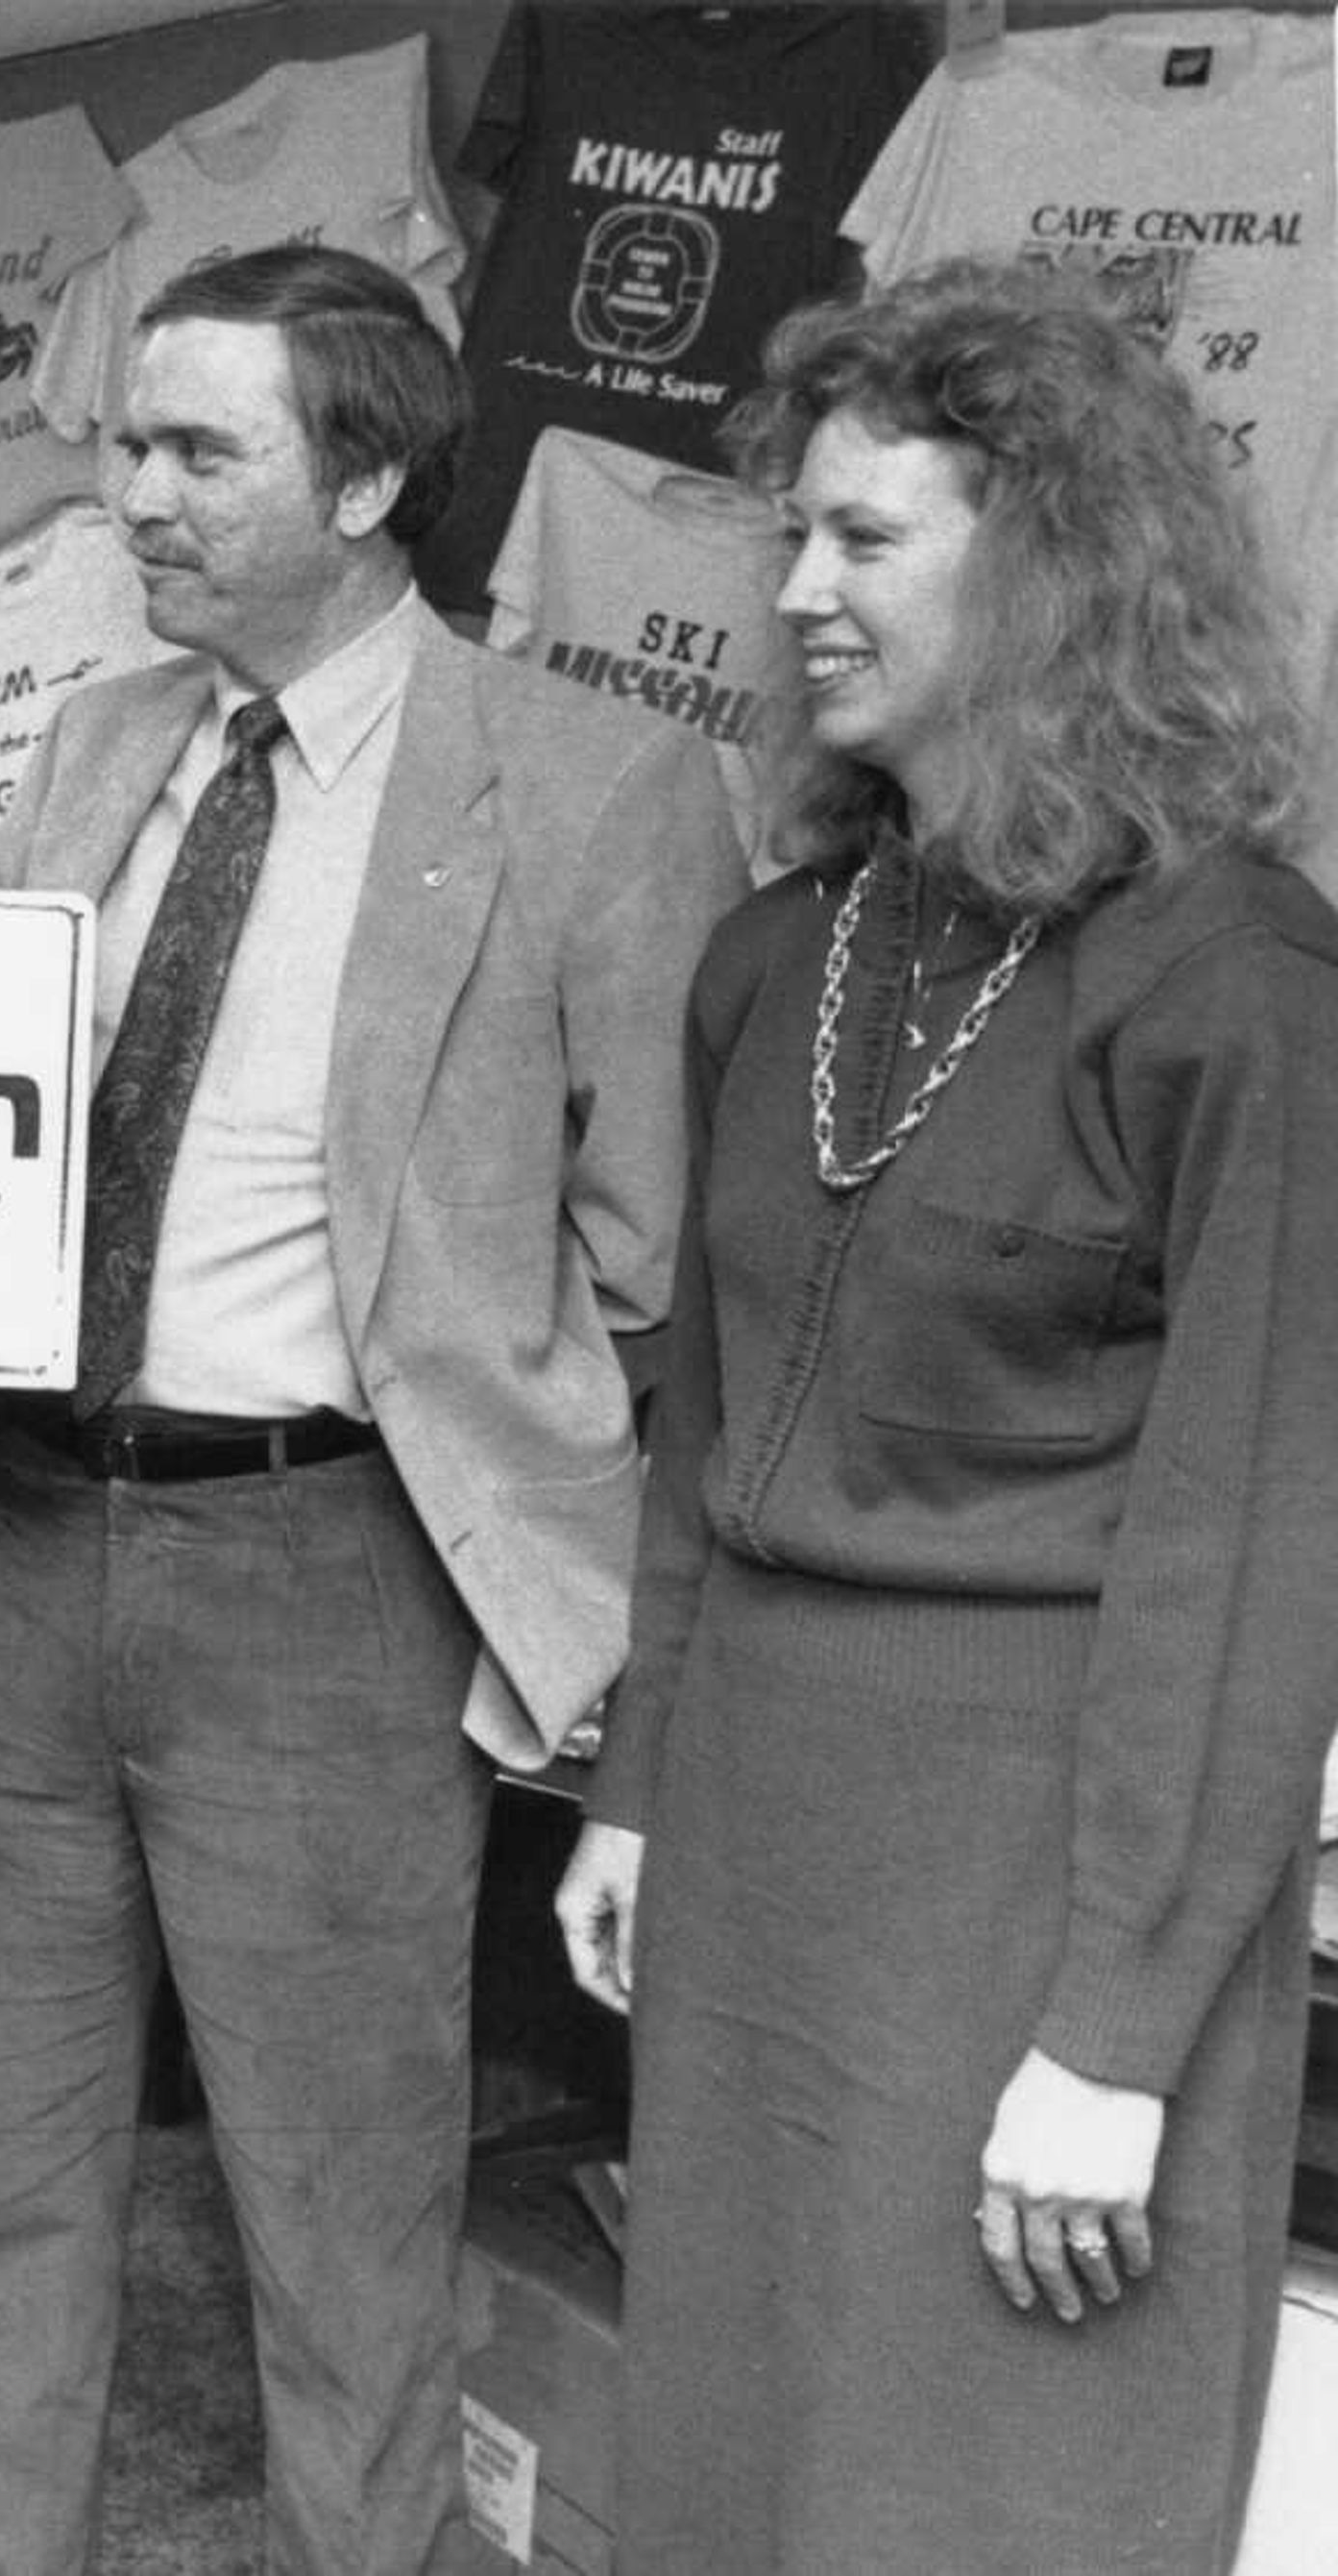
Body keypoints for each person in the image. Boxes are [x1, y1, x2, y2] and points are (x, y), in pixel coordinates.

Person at [0, 242, 744, 2575]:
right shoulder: (93, 742)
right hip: (17, 1548)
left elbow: (653, 1261)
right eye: (125, 442)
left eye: (190, 451)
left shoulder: (596, 784)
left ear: (363, 480)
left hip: (331, 1587)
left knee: (341, 2220)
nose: (129, 495)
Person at [552, 257, 1338, 2569]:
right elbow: (705, 1426)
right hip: (758, 1822)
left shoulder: (1234, 981)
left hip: (1037, 1848)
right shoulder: (781, 956)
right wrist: (635, 1782)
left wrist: (1117, 2037)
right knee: (727, 2449)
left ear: (1054, 574)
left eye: (865, 541)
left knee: (986, 2488)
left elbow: (1261, 1544)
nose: (796, 591)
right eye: (791, 536)